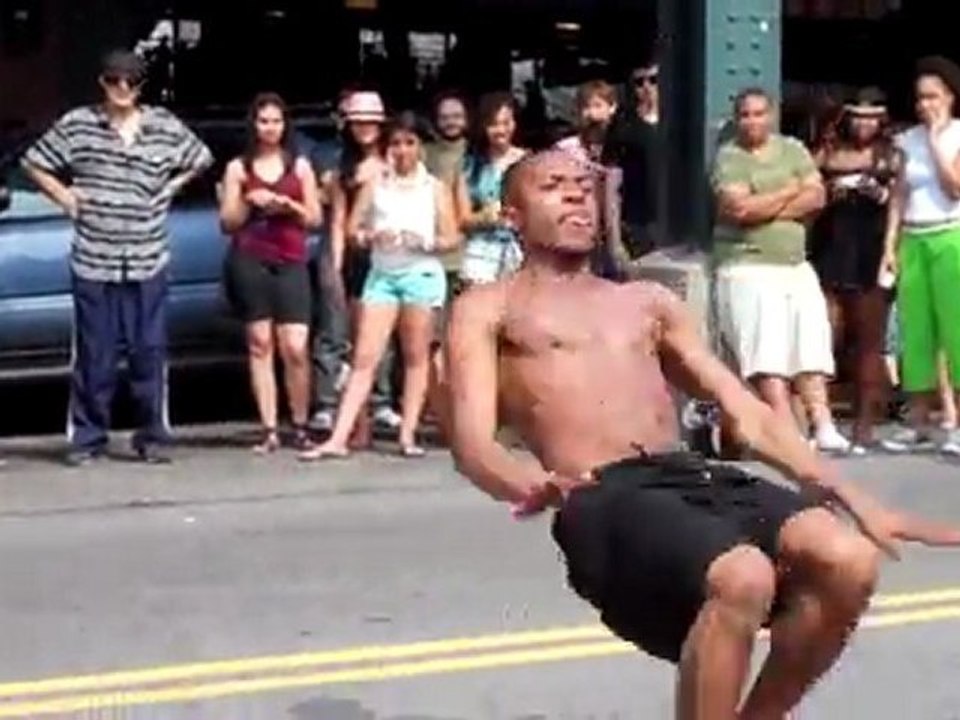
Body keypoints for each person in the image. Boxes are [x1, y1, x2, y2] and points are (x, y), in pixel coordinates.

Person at [444, 150, 960, 720]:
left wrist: (855, 498)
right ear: (512, 214)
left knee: (849, 560)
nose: (574, 196)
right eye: (553, 186)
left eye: (583, 187)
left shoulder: (645, 302)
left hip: (689, 475)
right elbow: (473, 444)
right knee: (743, 575)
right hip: (601, 490)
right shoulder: (489, 307)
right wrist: (526, 482)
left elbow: (749, 412)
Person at [22, 49, 212, 467]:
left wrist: (170, 188)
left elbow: (201, 158)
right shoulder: (79, 124)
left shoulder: (162, 125)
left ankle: (153, 437)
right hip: (95, 255)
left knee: (149, 350)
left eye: (130, 81)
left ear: (141, 86)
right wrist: (66, 197)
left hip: (147, 255)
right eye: (114, 80)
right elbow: (35, 162)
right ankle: (88, 438)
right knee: (95, 353)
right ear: (102, 82)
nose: (122, 88)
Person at [301, 112, 458, 459]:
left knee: (416, 357)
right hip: (383, 275)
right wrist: (371, 235)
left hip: (421, 274)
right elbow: (352, 230)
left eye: (409, 143)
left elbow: (451, 237)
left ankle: (407, 433)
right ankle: (339, 437)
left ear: (420, 148)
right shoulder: (377, 185)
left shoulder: (434, 188)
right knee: (364, 357)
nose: (402, 151)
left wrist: (425, 242)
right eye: (396, 144)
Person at [712, 87, 851, 454]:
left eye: (759, 113)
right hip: (747, 265)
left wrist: (767, 203)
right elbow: (740, 210)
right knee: (766, 352)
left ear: (771, 116)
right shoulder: (730, 157)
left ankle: (823, 424)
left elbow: (817, 196)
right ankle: (787, 431)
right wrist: (791, 192)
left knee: (811, 345)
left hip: (794, 263)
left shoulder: (792, 148)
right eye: (745, 114)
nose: (752, 121)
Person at [219, 93, 322, 453]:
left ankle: (300, 423)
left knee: (295, 345)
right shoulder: (237, 168)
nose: (270, 128)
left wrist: (288, 205)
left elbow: (314, 218)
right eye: (263, 121)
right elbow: (227, 222)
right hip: (250, 258)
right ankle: (268, 428)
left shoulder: (300, 166)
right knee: (260, 344)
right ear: (254, 125)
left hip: (290, 258)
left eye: (276, 121)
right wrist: (249, 202)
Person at [810, 88, 899, 451]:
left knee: (868, 341)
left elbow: (902, 202)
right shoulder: (829, 151)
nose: (864, 123)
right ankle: (822, 420)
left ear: (882, 119)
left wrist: (880, 194)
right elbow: (809, 188)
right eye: (858, 115)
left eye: (872, 116)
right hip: (831, 248)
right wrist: (829, 191)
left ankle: (864, 426)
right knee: (824, 336)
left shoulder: (892, 155)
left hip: (871, 249)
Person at [879, 56, 960, 455]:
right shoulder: (905, 140)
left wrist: (934, 140)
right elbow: (899, 193)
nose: (925, 104)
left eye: (933, 96)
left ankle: (956, 424)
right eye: (920, 97)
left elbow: (955, 187)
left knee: (955, 329)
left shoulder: (958, 135)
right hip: (914, 236)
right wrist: (889, 246)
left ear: (949, 97)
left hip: (951, 235)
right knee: (916, 332)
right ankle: (920, 421)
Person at [322, 91, 402, 440]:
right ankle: (360, 417)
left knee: (387, 337)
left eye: (370, 122)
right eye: (358, 122)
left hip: (396, 251)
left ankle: (383, 402)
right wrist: (335, 267)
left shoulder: (397, 157)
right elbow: (338, 221)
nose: (364, 128)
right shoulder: (343, 167)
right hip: (358, 254)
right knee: (357, 336)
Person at [457, 92, 527, 286]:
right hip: (481, 252)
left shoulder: (528, 161)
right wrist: (486, 217)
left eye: (506, 123)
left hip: (520, 251)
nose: (501, 130)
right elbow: (463, 220)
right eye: (494, 124)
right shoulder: (469, 166)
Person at [602, 61, 660, 258]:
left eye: (654, 80)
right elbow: (611, 184)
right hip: (636, 224)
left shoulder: (680, 123)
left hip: (674, 222)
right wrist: (614, 239)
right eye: (639, 82)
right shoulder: (623, 127)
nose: (647, 87)